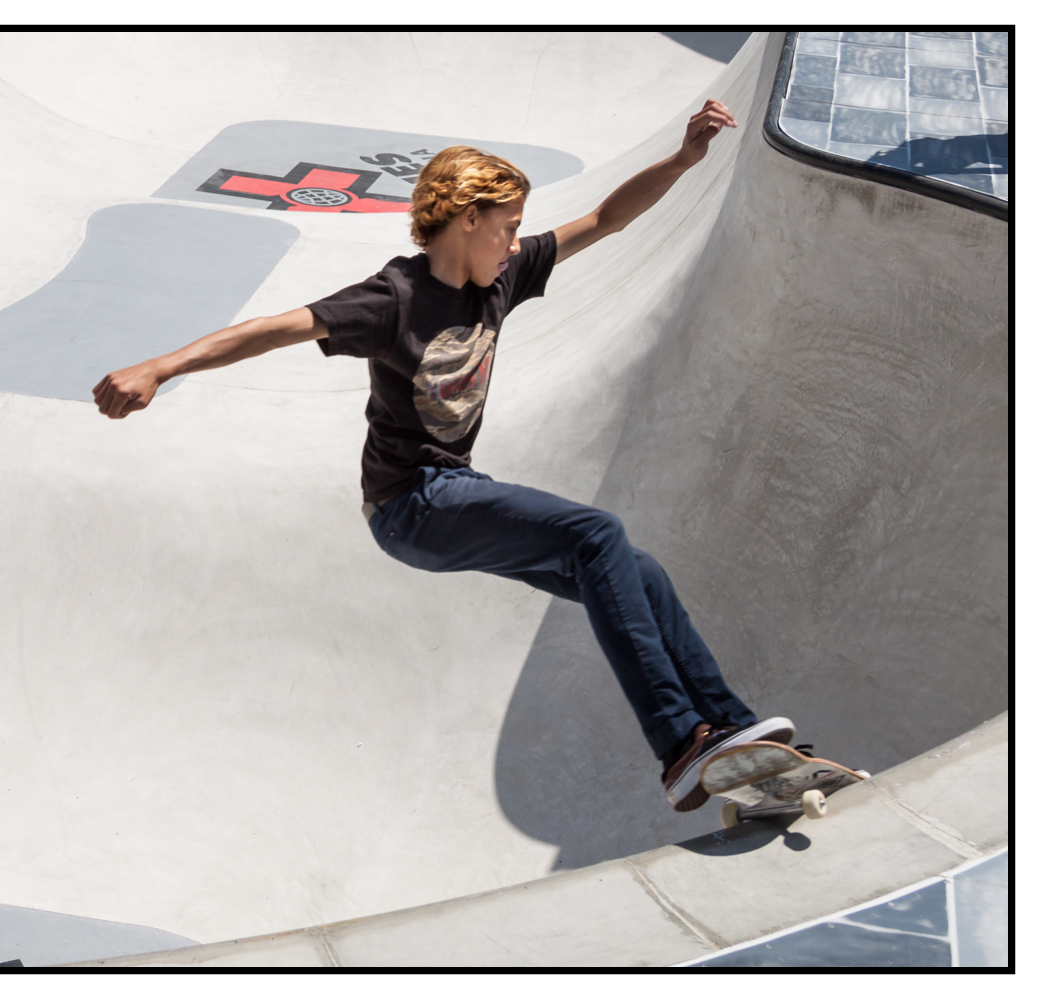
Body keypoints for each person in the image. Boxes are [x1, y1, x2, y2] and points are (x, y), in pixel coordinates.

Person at [93, 99, 794, 813]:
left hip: (455, 492)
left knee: (632, 571)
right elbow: (276, 329)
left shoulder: (503, 279)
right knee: (597, 534)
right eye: (508, 229)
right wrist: (162, 366)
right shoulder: (392, 298)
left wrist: (681, 161)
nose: (518, 245)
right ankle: (681, 743)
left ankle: (729, 727)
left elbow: (607, 220)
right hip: (410, 506)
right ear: (469, 222)